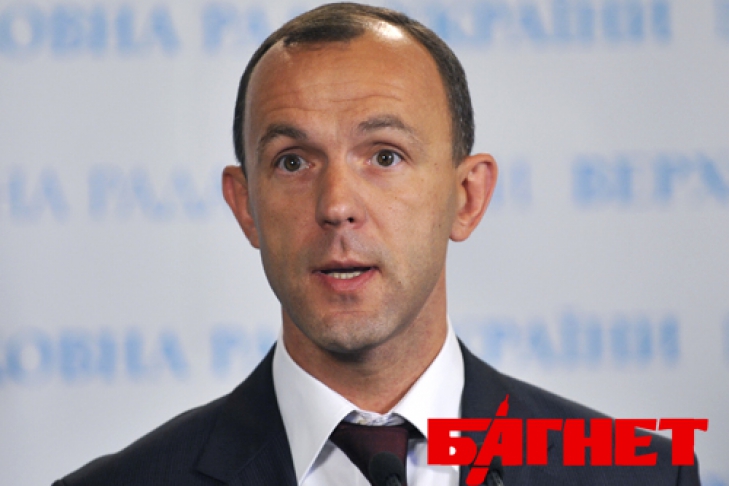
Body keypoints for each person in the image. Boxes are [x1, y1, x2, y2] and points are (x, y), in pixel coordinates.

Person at [54, 3, 701, 485]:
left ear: (466, 196)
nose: (336, 205)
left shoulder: (640, 475)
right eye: (292, 162)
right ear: (245, 205)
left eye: (384, 156)